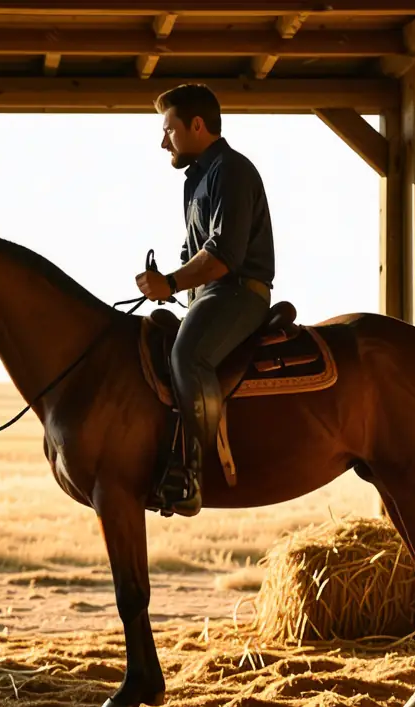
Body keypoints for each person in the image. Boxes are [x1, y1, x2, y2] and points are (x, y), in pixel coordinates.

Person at [135, 83, 276, 517]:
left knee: (188, 357)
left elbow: (224, 255)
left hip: (237, 295)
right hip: (207, 296)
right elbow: (194, 250)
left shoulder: (231, 171)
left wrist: (171, 284)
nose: (163, 142)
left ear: (197, 125)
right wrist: (171, 277)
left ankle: (194, 476)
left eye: (169, 131)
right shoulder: (198, 179)